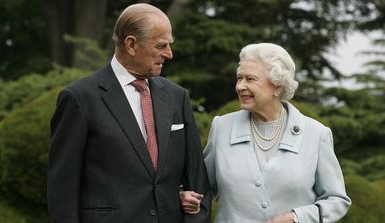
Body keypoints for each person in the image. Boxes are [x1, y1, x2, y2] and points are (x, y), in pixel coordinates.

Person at [48, 3, 211, 223]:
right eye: (161, 45)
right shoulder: (79, 98)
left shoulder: (177, 97)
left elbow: (198, 182)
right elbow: (62, 190)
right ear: (131, 44)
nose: (169, 54)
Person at [180, 43, 351, 223]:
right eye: (239, 78)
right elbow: (201, 187)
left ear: (277, 86)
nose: (240, 86)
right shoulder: (222, 127)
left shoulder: (316, 135)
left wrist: (297, 217)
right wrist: (184, 195)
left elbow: (337, 200)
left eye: (250, 79)